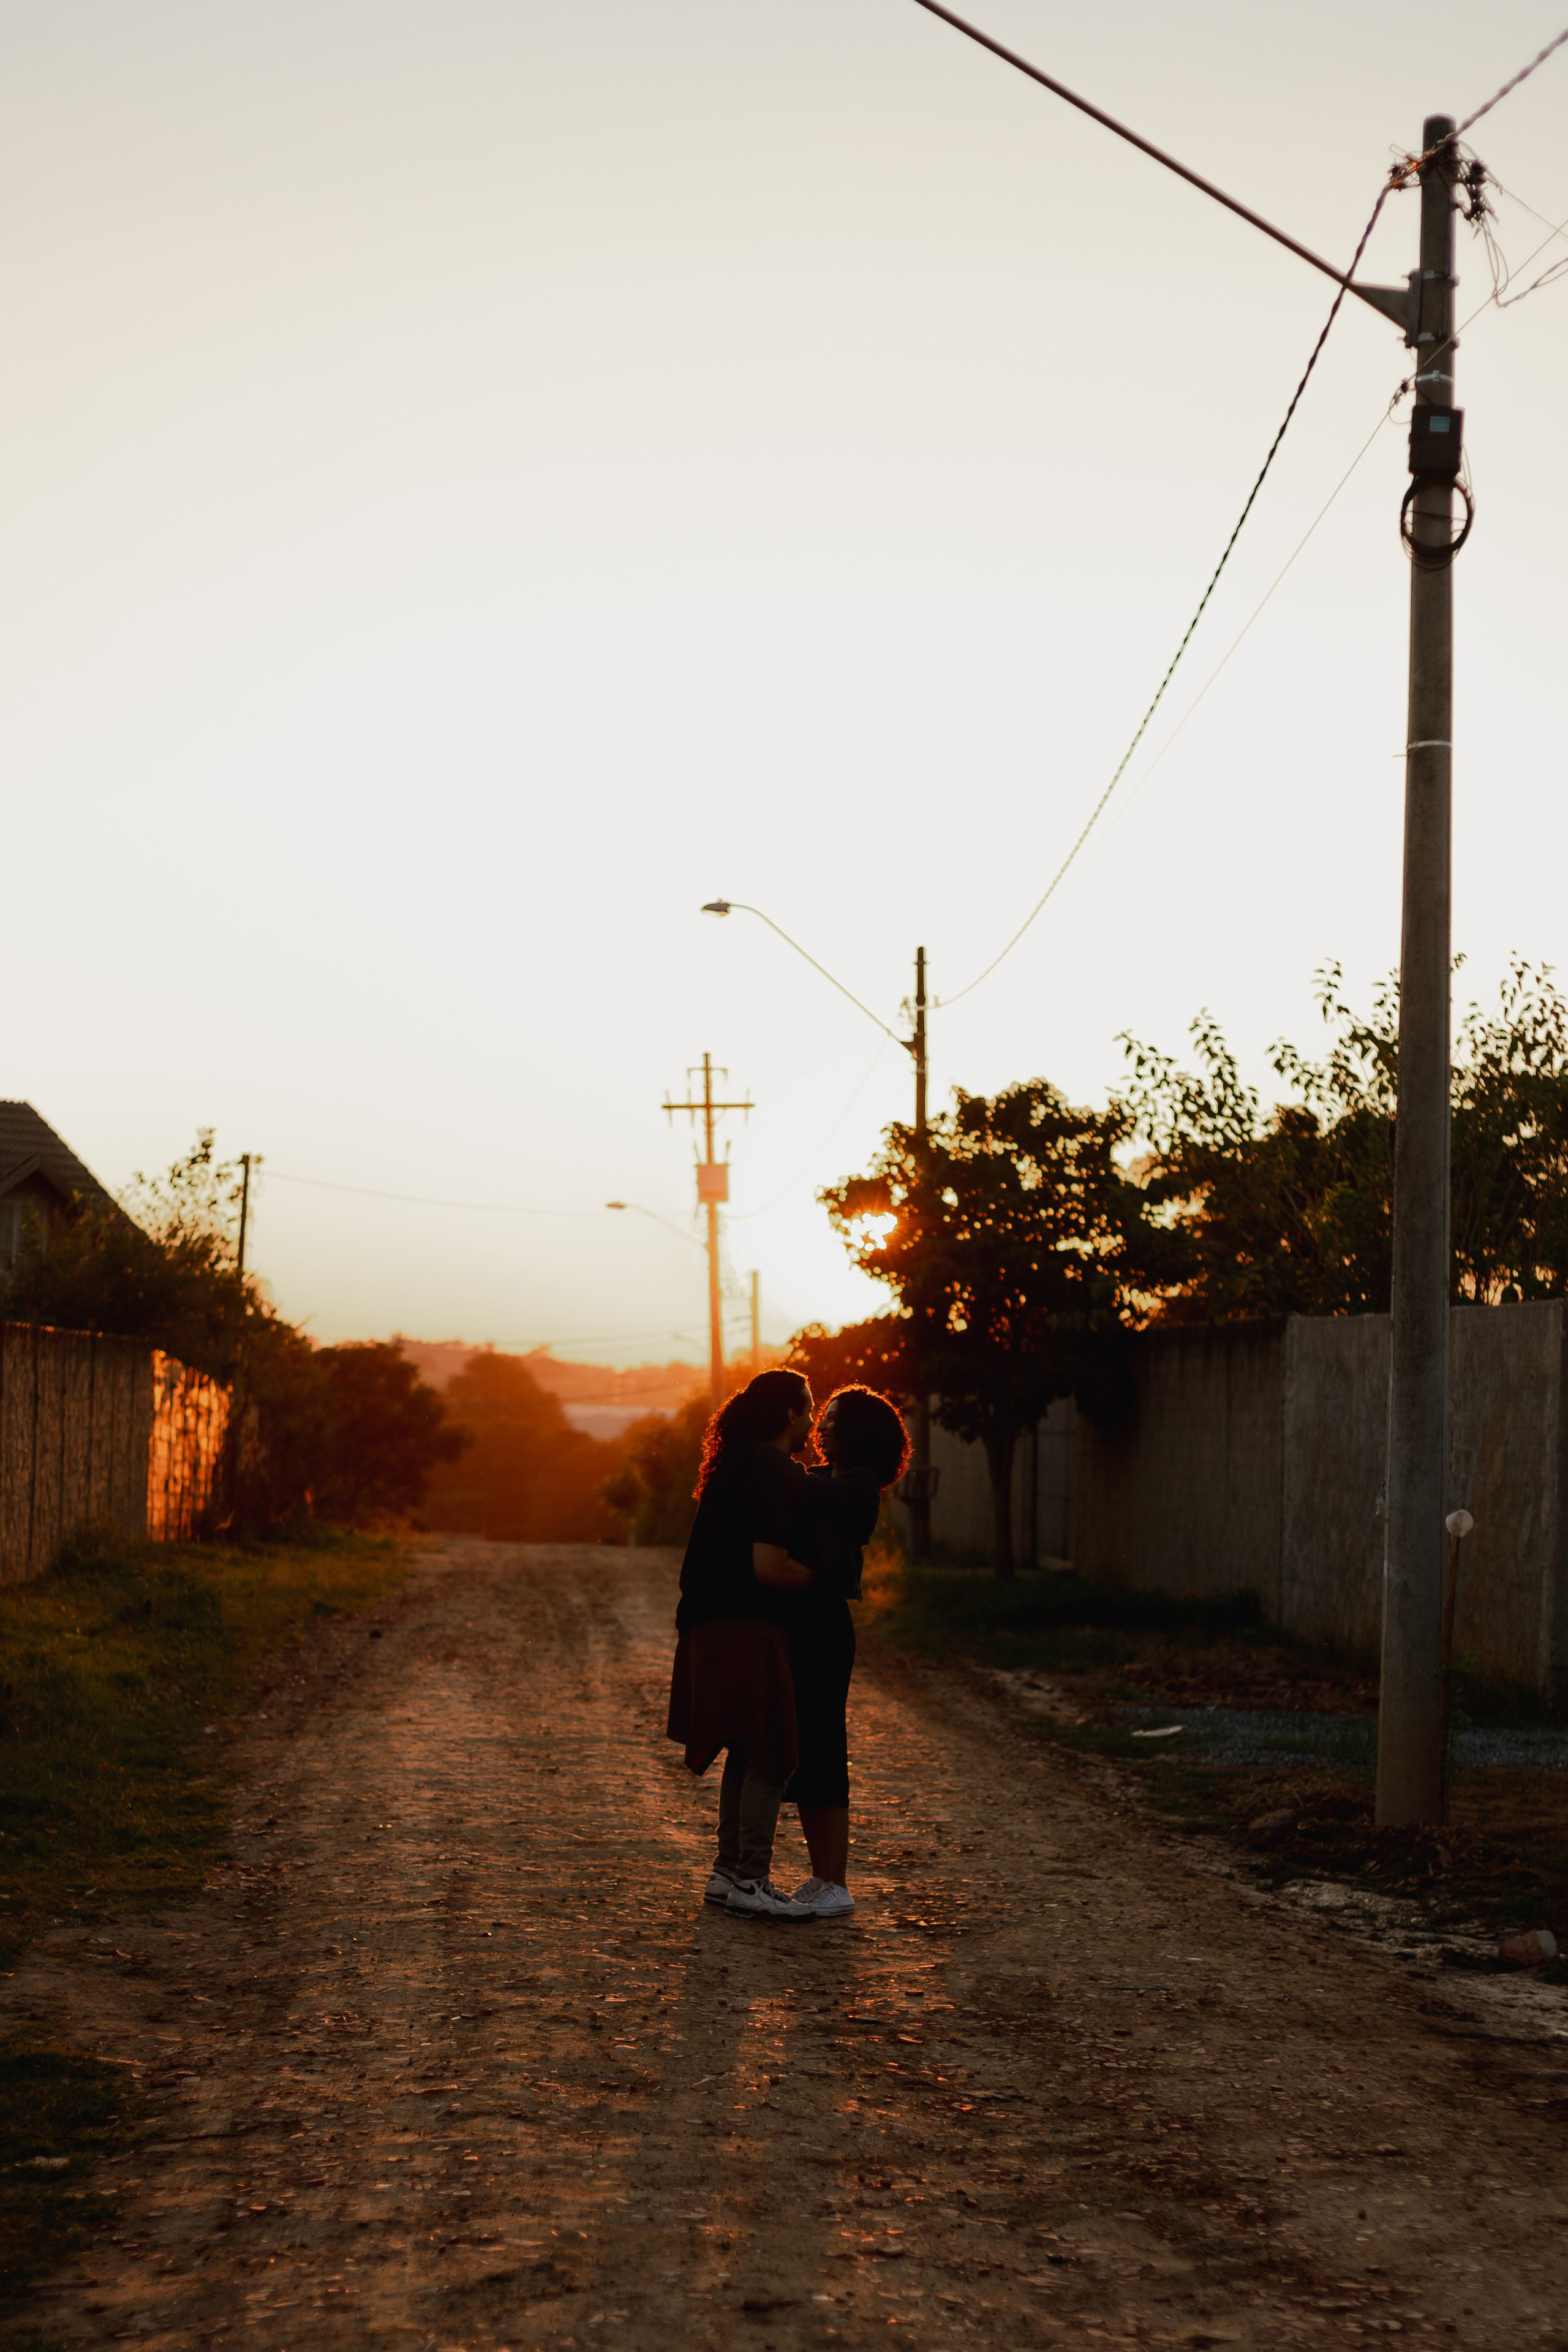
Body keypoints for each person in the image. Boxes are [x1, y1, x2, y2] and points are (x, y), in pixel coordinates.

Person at [665, 1368, 818, 1922]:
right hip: (747, 1627)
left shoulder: (729, 1469)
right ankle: (752, 1879)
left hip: (707, 1627)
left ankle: (727, 1874)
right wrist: (826, 1578)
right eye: (808, 1410)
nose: (812, 1422)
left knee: (745, 1751)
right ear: (788, 1415)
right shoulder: (772, 1476)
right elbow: (769, 1568)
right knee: (770, 1756)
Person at [781, 1385, 910, 1920]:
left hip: (826, 1629)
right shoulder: (827, 1478)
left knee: (826, 1752)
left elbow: (797, 1492)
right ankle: (820, 1875)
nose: (823, 1426)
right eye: (822, 1417)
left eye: (834, 1418)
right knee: (807, 1757)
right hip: (804, 1624)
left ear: (859, 1431)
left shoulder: (859, 1486)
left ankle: (837, 1880)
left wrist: (763, 1463)